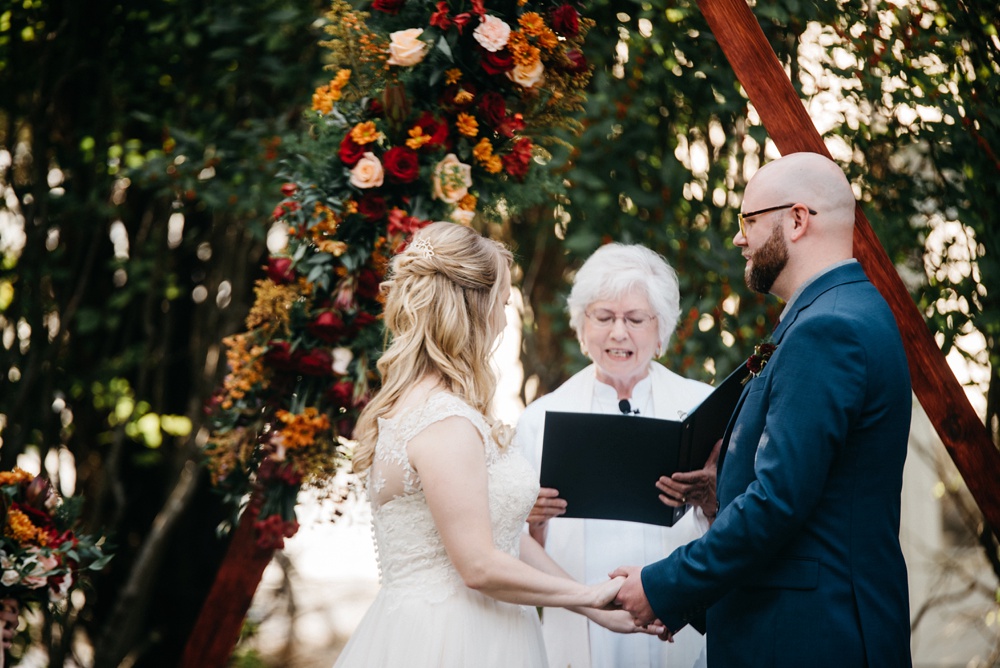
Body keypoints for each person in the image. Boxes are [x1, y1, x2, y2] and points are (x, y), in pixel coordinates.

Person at [613, 151, 913, 667]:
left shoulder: (827, 329)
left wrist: (664, 586)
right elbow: (816, 488)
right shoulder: (842, 311)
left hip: (811, 637)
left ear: (797, 220)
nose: (738, 237)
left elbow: (778, 502)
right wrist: (720, 489)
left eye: (749, 220)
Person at [333, 222, 659, 668]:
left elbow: (501, 538)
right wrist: (586, 591)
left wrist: (590, 608)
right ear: (475, 307)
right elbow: (479, 565)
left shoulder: (423, 404)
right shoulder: (445, 420)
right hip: (453, 640)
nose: (505, 319)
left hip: (457, 626)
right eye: (503, 303)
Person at [516, 243, 719, 668]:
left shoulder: (704, 408)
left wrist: (709, 497)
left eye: (634, 319)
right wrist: (531, 518)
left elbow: (738, 526)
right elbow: (513, 549)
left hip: (678, 622)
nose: (618, 333)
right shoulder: (540, 419)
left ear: (661, 329)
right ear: (581, 325)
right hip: (583, 624)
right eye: (604, 317)